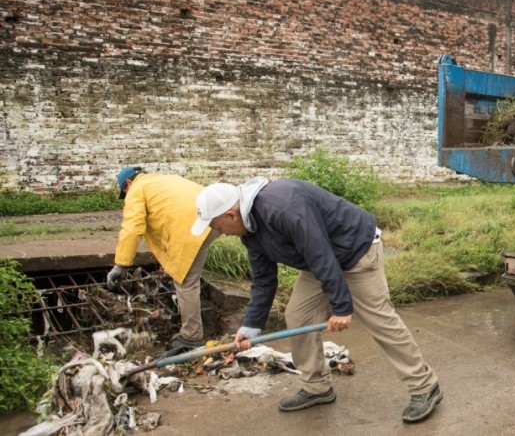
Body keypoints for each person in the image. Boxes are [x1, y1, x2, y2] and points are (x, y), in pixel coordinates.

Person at [190, 178, 442, 423]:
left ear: (231, 215)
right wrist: (251, 325)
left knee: (380, 320)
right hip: (319, 262)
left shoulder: (283, 207)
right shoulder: (250, 230)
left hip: (356, 251)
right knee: (299, 316)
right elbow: (264, 279)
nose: (220, 233)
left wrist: (341, 307)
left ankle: (424, 386)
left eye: (216, 227)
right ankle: (316, 386)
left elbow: (319, 251)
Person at [107, 166, 219, 351]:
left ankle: (192, 337)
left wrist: (121, 265)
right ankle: (192, 331)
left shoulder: (137, 189)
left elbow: (132, 227)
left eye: (124, 192)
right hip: (214, 219)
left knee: (186, 282)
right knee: (191, 278)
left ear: (128, 183)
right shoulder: (163, 179)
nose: (126, 196)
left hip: (191, 228)